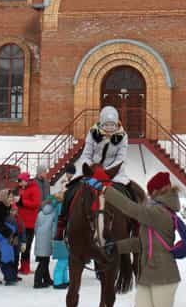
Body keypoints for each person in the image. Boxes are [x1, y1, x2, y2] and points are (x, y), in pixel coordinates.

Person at [103, 170, 182, 307]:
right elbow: (141, 243)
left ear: (158, 191)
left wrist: (105, 190)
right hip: (147, 275)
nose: (148, 195)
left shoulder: (161, 212)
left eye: (150, 192)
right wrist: (116, 247)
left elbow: (131, 209)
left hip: (165, 276)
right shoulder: (152, 211)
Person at [55, 109, 129, 240]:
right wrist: (92, 169)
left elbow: (120, 158)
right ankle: (62, 224)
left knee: (130, 192)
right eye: (107, 124)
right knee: (71, 191)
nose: (109, 128)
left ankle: (133, 224)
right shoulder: (93, 133)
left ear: (117, 124)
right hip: (92, 170)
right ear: (101, 124)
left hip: (113, 172)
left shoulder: (123, 136)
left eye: (112, 125)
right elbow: (86, 154)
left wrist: (106, 172)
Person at [16, 171, 41, 274]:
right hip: (21, 221)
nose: (19, 183)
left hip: (29, 222)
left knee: (27, 245)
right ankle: (22, 266)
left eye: (21, 181)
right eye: (19, 181)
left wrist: (21, 202)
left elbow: (35, 203)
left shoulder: (34, 189)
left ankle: (26, 267)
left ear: (26, 181)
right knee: (21, 244)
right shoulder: (22, 189)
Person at [33, 197, 56, 288]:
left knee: (44, 260)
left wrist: (37, 235)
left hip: (40, 237)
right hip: (48, 238)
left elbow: (36, 226)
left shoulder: (40, 213)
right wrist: (54, 238)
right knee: (44, 262)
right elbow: (54, 228)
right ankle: (37, 282)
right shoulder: (54, 213)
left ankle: (47, 279)